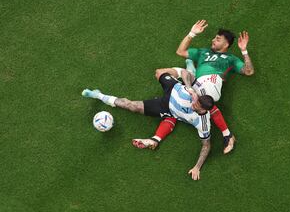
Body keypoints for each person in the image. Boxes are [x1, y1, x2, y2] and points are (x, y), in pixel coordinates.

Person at [133, 20, 255, 154]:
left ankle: (227, 135)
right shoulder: (204, 52)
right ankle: (225, 133)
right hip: (194, 79)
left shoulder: (230, 59)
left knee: (203, 99)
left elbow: (248, 71)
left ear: (226, 44)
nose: (213, 40)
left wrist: (244, 51)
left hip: (208, 85)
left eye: (218, 39)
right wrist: (192, 33)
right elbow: (180, 51)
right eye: (214, 37)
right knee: (160, 72)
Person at [81, 69, 214, 180]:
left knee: (131, 106)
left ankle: (97, 95)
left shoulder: (202, 122)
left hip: (165, 108)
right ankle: (189, 66)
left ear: (204, 110)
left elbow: (206, 145)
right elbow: (185, 72)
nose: (193, 104)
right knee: (158, 72)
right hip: (173, 89)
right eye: (194, 102)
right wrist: (190, 88)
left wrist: (197, 167)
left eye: (195, 106)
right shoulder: (192, 95)